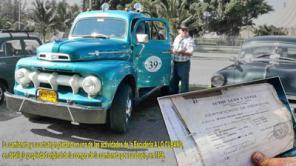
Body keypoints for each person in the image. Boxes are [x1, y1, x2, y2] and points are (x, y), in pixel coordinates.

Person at [170, 24, 195, 94]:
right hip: (174, 62)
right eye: (183, 30)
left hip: (184, 64)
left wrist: (181, 52)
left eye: (186, 30)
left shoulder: (189, 40)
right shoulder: (177, 38)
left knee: (184, 83)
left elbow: (190, 53)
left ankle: (184, 98)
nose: (185, 31)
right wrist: (172, 51)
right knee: (173, 81)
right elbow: (173, 49)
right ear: (179, 31)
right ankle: (173, 97)